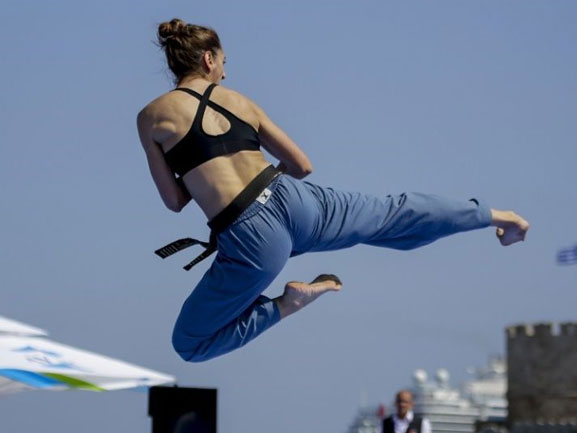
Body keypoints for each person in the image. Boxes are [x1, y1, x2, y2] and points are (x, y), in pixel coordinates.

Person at [137, 19, 530, 363]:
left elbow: (174, 201)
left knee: (189, 342)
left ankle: (287, 305)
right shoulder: (239, 101)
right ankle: (498, 217)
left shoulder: (151, 117)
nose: (224, 72)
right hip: (294, 202)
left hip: (249, 239)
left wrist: (197, 172)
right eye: (223, 62)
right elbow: (302, 166)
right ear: (208, 59)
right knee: (390, 214)